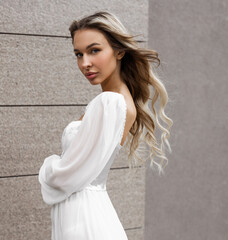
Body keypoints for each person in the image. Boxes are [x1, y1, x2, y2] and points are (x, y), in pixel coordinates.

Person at [38, 11, 172, 240]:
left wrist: (49, 166)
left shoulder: (110, 102)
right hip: (82, 215)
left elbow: (63, 178)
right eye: (78, 54)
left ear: (119, 51)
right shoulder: (117, 100)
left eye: (94, 50)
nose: (85, 63)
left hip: (83, 221)